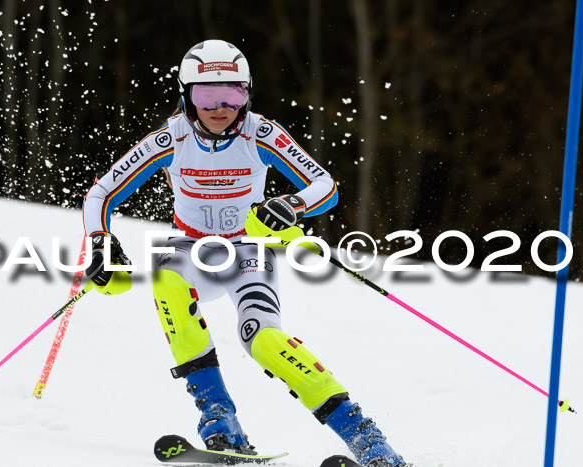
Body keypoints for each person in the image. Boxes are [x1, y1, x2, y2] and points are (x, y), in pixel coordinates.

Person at [82, 39, 408, 467]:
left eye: (233, 94)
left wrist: (290, 205)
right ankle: (219, 421)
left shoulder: (261, 133)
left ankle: (369, 442)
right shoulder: (170, 137)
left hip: (248, 249)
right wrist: (101, 243)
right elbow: (102, 192)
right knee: (166, 280)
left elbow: (324, 186)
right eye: (205, 95)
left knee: (264, 340)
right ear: (186, 96)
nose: (220, 107)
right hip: (191, 247)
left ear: (247, 93)